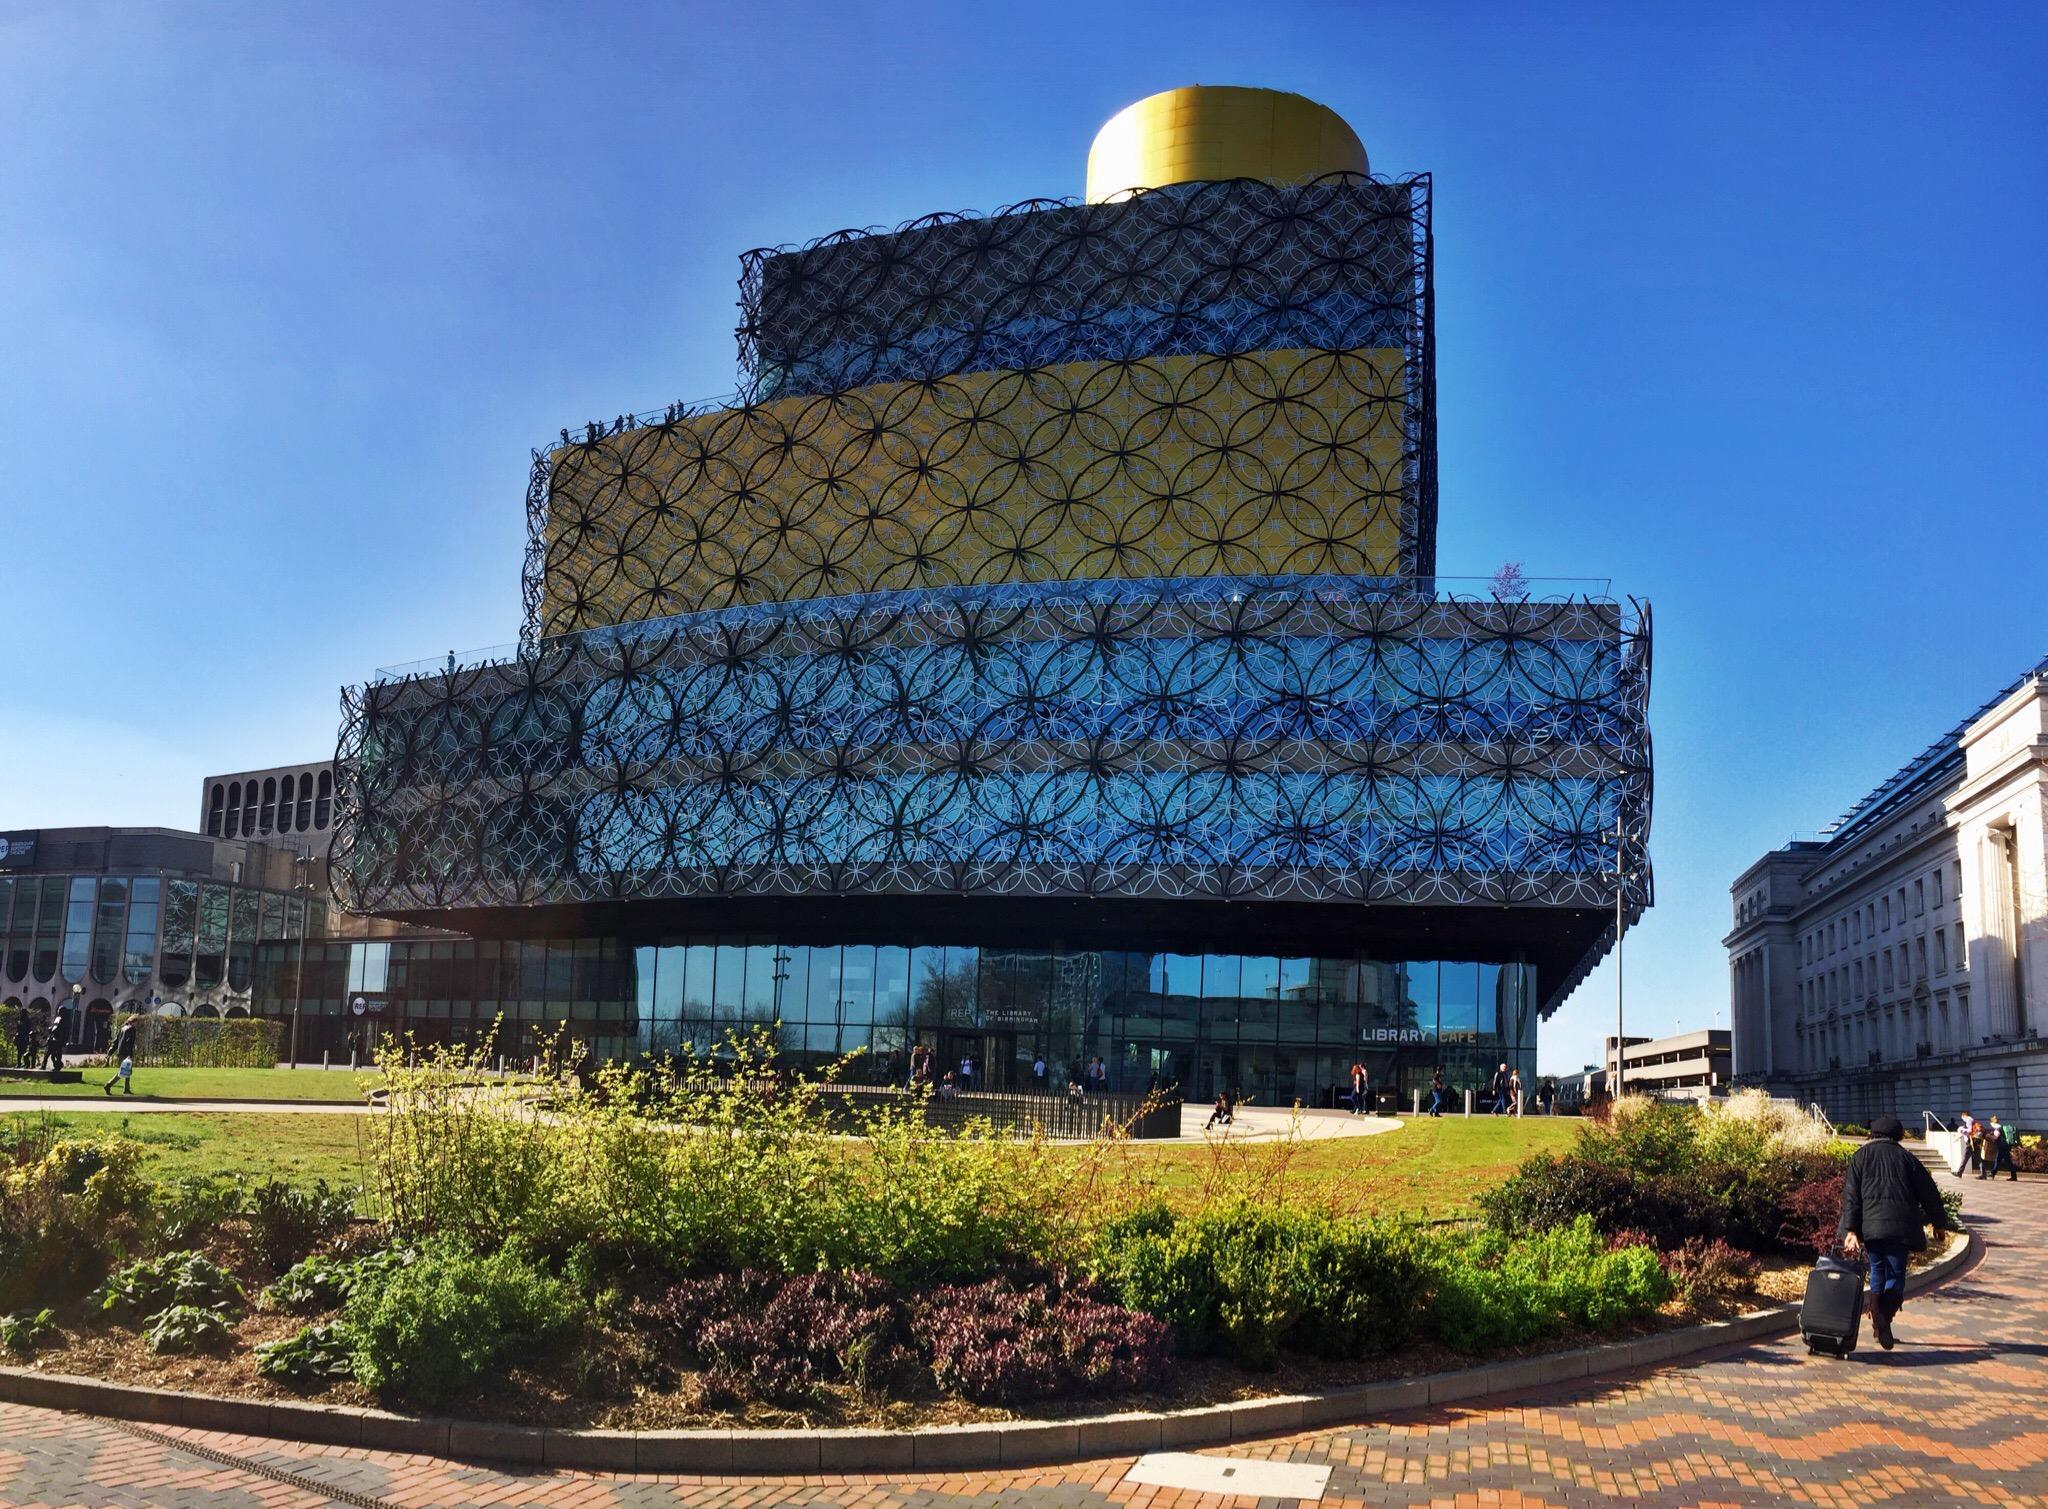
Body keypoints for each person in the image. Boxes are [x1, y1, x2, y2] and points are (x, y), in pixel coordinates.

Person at [1838, 1112, 1951, 1350]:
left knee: (1877, 1270)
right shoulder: (1907, 1158)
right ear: (1897, 1136)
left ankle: (1878, 1318)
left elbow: (1851, 1197)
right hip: (1901, 1228)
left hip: (1871, 1227)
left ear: (1873, 1134)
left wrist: (1851, 1230)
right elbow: (1929, 1193)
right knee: (1896, 1274)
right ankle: (1884, 1317)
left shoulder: (1860, 1157)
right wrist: (1939, 1223)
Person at [101, 1015, 139, 1097]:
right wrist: (129, 1054)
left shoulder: (123, 1028)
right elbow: (129, 1043)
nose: (137, 1024)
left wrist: (110, 1052)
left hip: (120, 1052)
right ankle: (108, 1085)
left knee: (127, 1070)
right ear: (133, 1022)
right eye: (136, 1022)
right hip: (126, 1053)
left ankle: (126, 1089)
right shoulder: (132, 1030)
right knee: (123, 1071)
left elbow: (116, 1041)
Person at [1984, 1115, 2019, 1181]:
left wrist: (1987, 1136)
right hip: (2005, 1146)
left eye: (1991, 1124)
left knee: (2003, 1161)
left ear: (1992, 1123)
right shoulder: (2001, 1127)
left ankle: (1993, 1173)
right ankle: (1994, 1173)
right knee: (2002, 1160)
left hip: (2002, 1147)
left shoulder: (1998, 1128)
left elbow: (1995, 1138)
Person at [1956, 1111, 1983, 1178]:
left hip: (1971, 1141)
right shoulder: (1971, 1120)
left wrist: (1962, 1130)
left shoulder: (1968, 1119)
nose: (1962, 1119)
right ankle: (1983, 1174)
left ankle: (1959, 1173)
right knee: (1978, 1158)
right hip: (1975, 1141)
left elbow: (1970, 1130)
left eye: (1962, 1117)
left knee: (1965, 1158)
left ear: (1963, 1116)